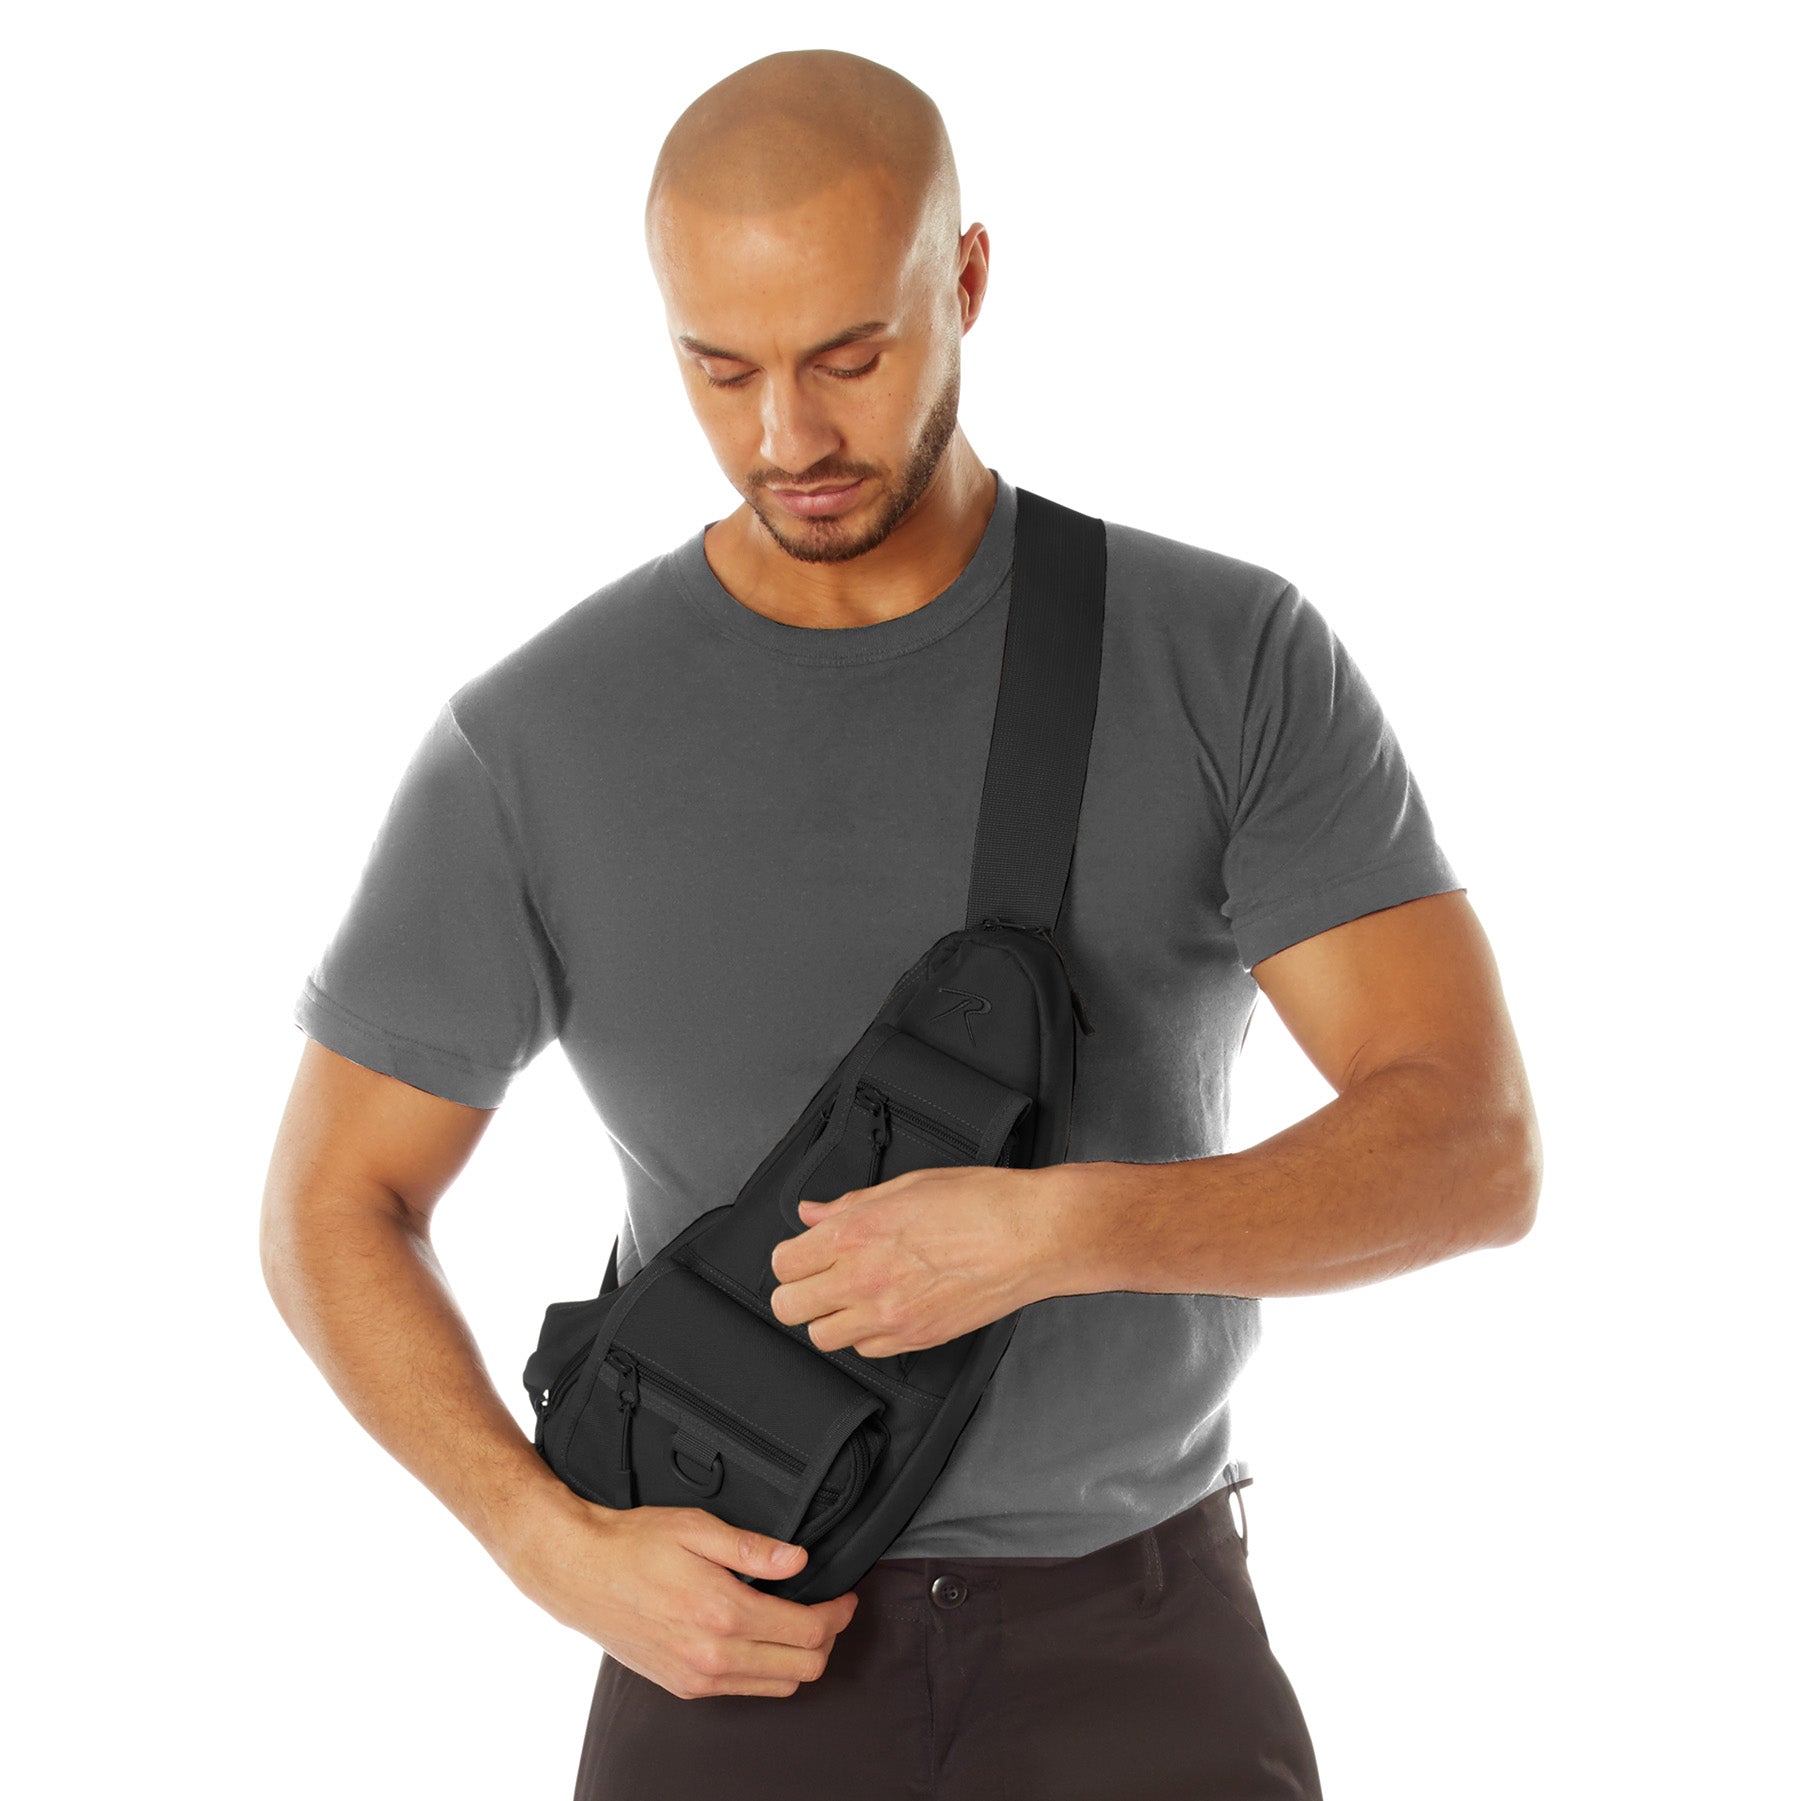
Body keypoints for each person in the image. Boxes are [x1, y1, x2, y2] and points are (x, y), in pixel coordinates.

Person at [261, 46, 1542, 1801]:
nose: (786, 438)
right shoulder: (534, 742)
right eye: (721, 369)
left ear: (969, 280)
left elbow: (1472, 1144)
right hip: (726, 1641)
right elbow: (331, 1201)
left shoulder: (1220, 657)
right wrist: (543, 1541)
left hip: (1138, 1646)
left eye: (849, 357)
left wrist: (1061, 1229)